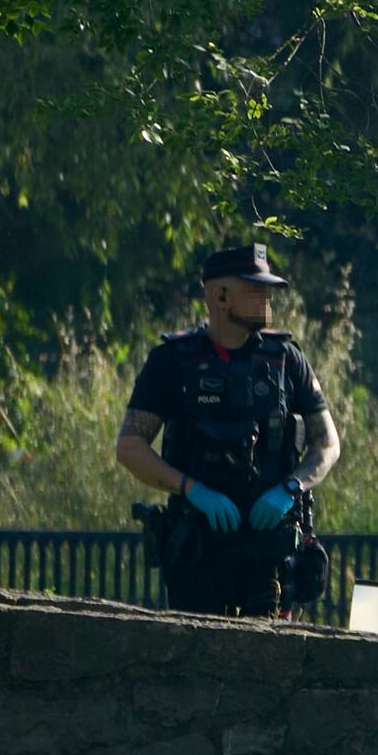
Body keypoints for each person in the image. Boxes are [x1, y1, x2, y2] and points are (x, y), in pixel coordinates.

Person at [119, 241, 340, 618]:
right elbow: (129, 446)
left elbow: (327, 443)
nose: (268, 298)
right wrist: (193, 489)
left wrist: (291, 488)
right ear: (220, 297)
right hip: (198, 550)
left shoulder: (286, 359)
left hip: (270, 553)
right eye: (256, 289)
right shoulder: (172, 361)